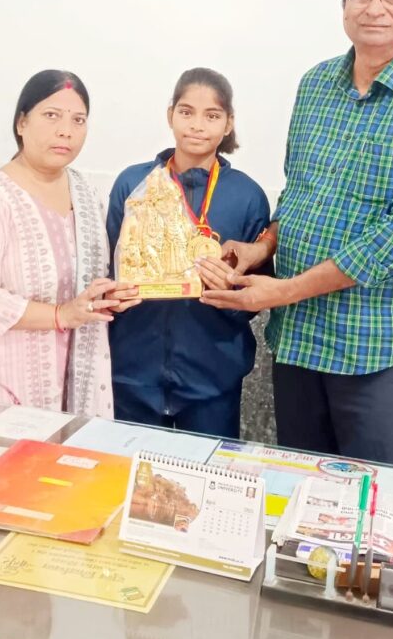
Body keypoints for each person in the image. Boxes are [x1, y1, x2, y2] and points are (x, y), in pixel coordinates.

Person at [202, 0, 393, 468]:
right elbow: (300, 195)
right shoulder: (315, 85)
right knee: (302, 492)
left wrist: (284, 290)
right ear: (344, 3)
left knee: (376, 505)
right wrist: (262, 248)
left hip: (380, 348)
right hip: (302, 340)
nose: (376, 8)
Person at [0, 70, 138, 428]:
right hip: (2, 377)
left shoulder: (85, 193)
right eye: (52, 115)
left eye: (78, 120)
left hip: (73, 380)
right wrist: (61, 315)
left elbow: (83, 284)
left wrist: (105, 298)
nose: (66, 130)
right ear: (22, 122)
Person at [106, 68, 270, 438]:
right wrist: (116, 293)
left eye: (211, 115)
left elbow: (258, 293)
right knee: (132, 470)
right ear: (170, 115)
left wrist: (230, 292)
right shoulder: (134, 184)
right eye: (186, 112)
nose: (197, 125)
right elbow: (109, 268)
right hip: (134, 373)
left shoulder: (247, 196)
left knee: (206, 472)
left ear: (228, 123)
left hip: (213, 378)